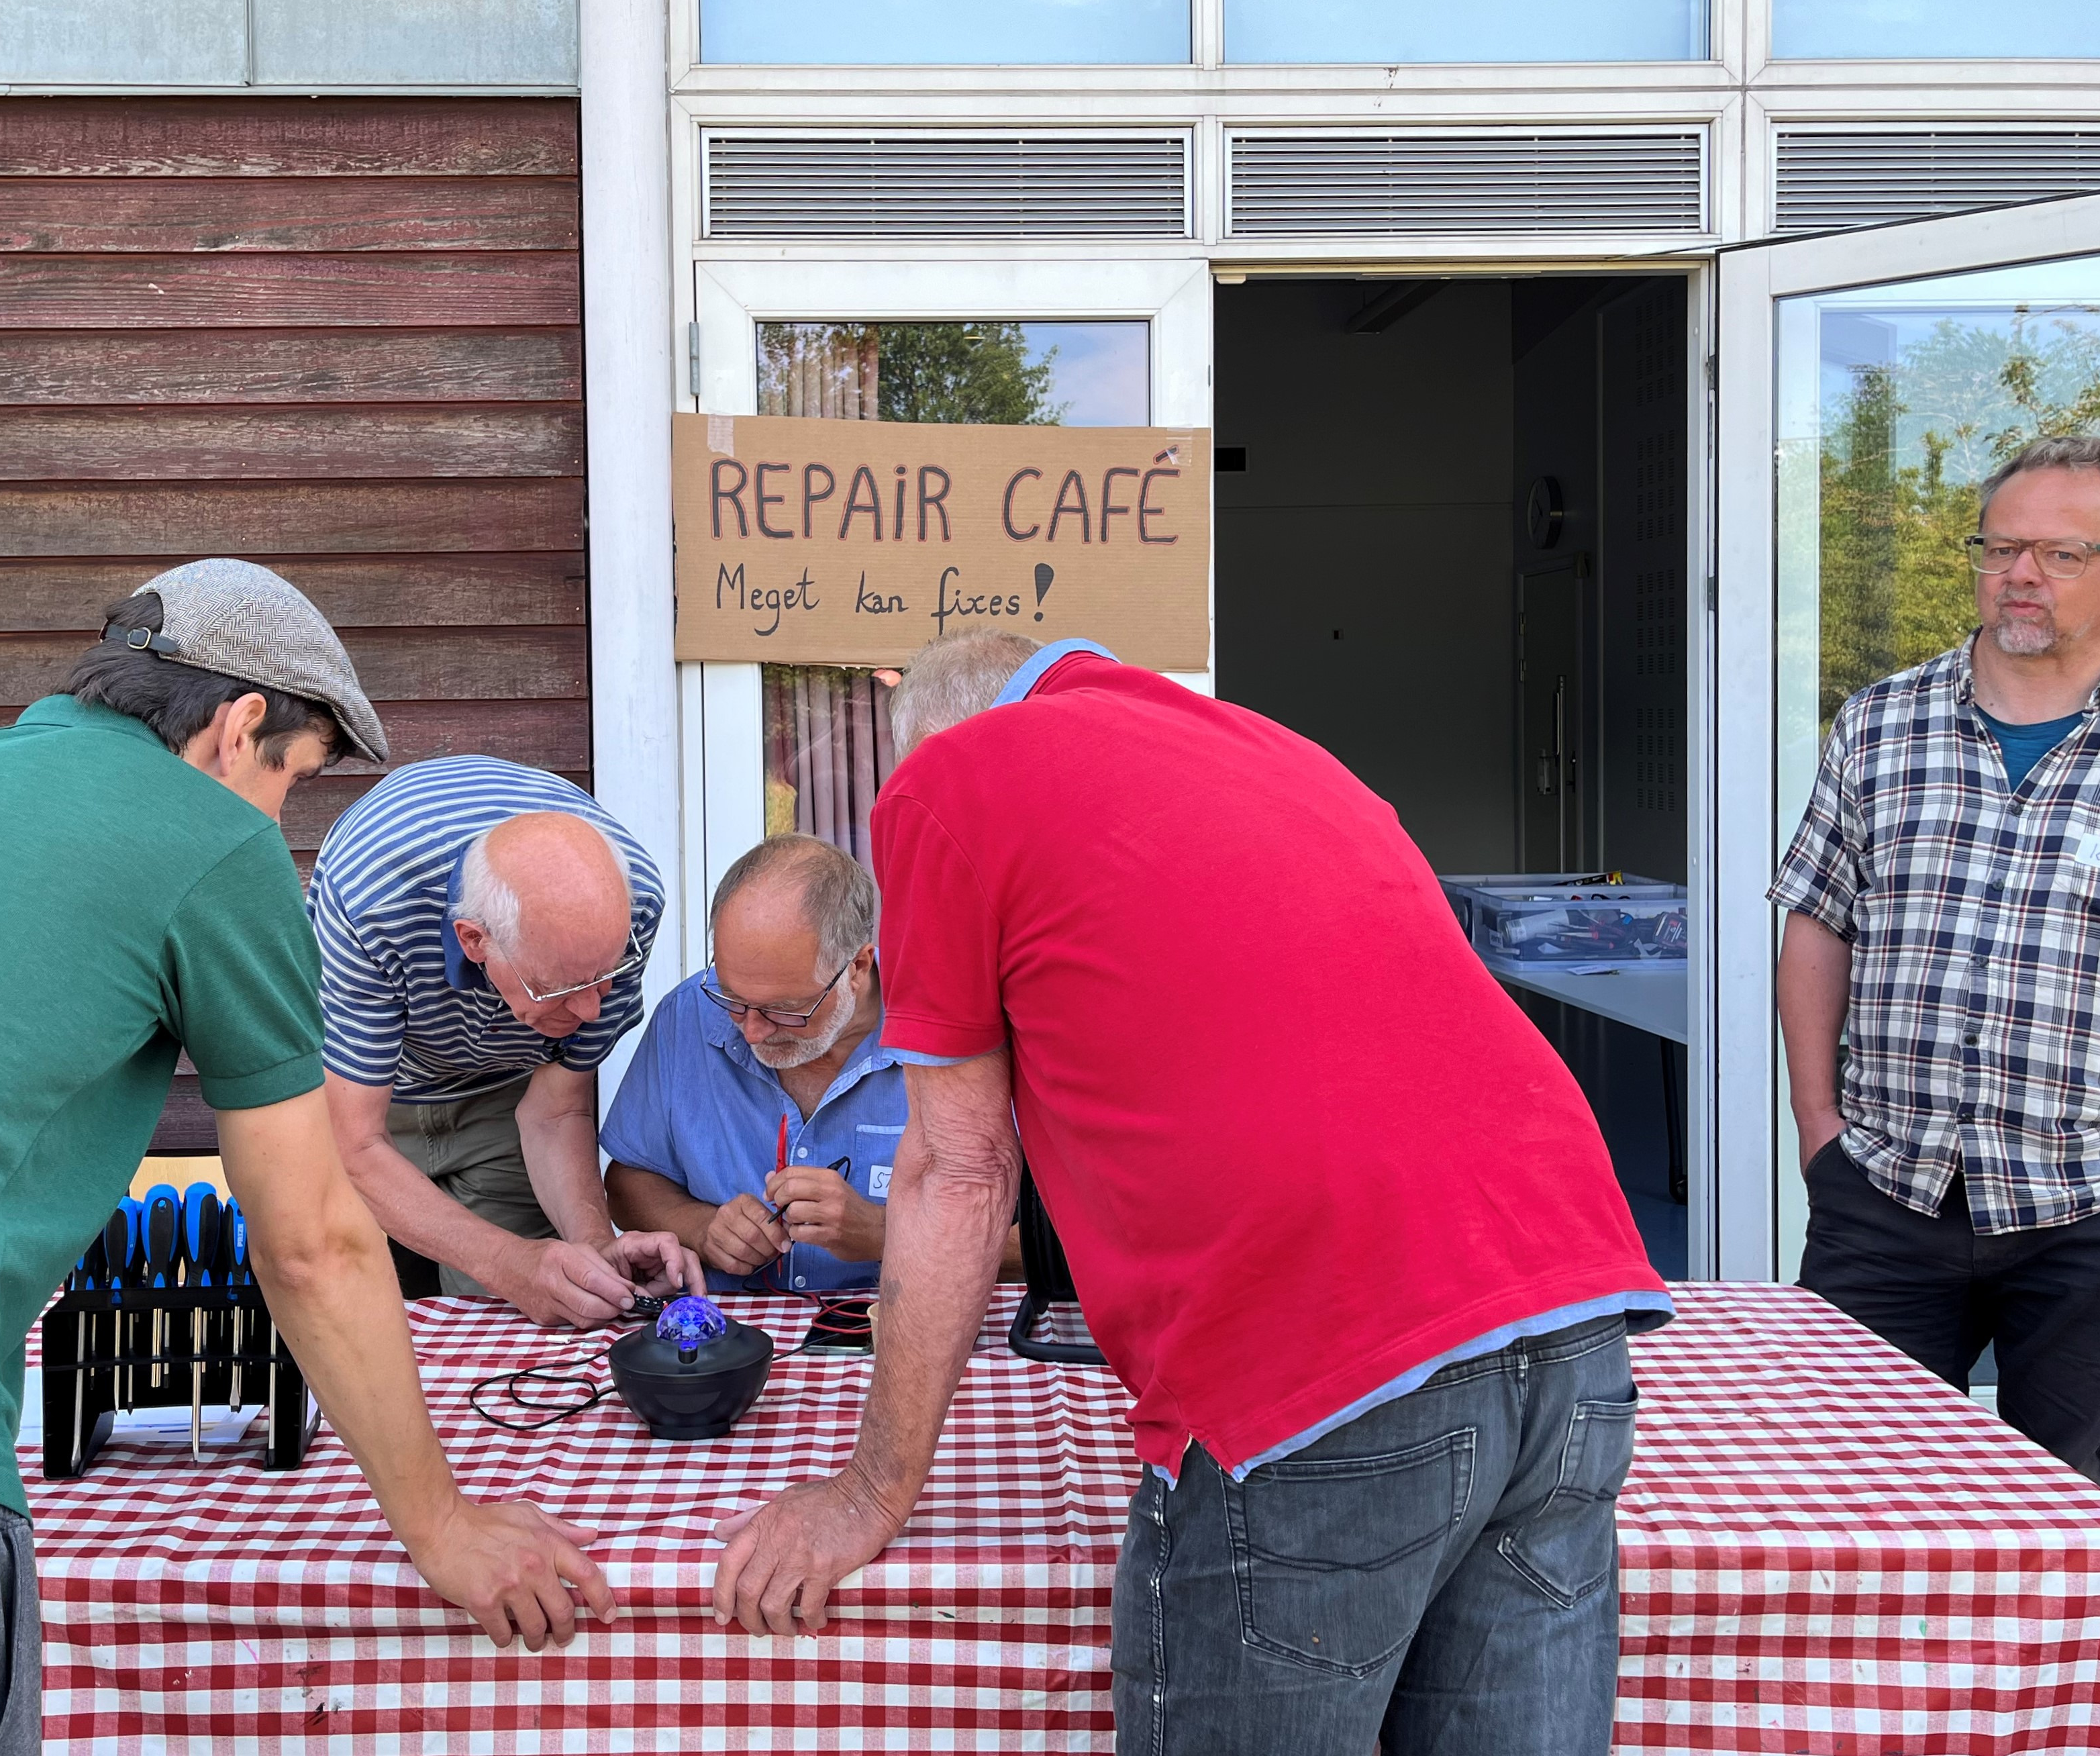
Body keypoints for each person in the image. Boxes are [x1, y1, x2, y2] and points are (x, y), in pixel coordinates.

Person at [0, 561, 615, 1756]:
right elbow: (312, 1242)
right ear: (240, 728)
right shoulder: (209, 841)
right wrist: (442, 1528)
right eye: (292, 781)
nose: (277, 822)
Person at [711, 630, 1670, 1756]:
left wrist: (868, 1495)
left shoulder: (949, 779)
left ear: (931, 736)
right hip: (1570, 1316)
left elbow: (958, 1167)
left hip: (1328, 1357)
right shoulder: (1270, 749)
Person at [1773, 434, 2100, 1494]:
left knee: (2061, 1520)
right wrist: (1818, 1135)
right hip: (1884, 1193)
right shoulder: (1879, 726)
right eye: (2000, 547)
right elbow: (1815, 925)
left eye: (2060, 555)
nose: (2019, 575)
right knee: (1851, 1501)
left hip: (2091, 1208)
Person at [309, 757, 695, 1325]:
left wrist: (594, 1247)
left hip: (508, 1097)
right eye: (561, 988)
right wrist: (507, 1261)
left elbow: (556, 1109)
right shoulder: (369, 899)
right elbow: (355, 1143)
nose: (591, 1010)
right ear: (474, 940)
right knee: (359, 1327)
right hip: (370, 1100)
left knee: (525, 1320)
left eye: (602, 979)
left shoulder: (631, 902)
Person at [603, 835, 911, 1294]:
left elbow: (1043, 1240)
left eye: (784, 1009)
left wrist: (885, 1234)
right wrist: (701, 1227)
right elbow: (628, 1182)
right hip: (725, 1335)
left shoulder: (947, 1033)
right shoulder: (687, 1014)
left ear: (858, 967)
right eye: (731, 997)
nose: (751, 1031)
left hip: (893, 1327)